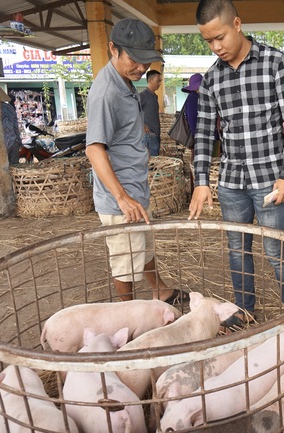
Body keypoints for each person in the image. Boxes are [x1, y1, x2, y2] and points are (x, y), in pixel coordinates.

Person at [188, 0, 284, 327]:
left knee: (278, 252)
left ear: (237, 24)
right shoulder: (211, 80)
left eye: (220, 37)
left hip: (270, 180)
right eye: (208, 41)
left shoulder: (276, 64)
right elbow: (204, 134)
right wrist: (201, 181)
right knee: (238, 254)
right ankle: (244, 314)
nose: (216, 47)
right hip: (231, 184)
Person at [85, 18, 184, 304]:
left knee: (143, 246)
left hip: (134, 188)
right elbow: (94, 149)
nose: (141, 68)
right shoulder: (107, 93)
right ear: (113, 49)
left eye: (146, 61)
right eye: (134, 60)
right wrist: (122, 198)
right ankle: (125, 317)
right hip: (121, 196)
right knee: (126, 261)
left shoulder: (125, 83)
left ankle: (160, 291)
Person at [139, 69, 163, 156]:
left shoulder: (154, 96)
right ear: (150, 80)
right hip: (148, 135)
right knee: (150, 162)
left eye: (160, 81)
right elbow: (133, 112)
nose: (159, 83)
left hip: (155, 134)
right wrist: (142, 125)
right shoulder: (143, 96)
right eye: (158, 81)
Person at [0, 88, 22, 166]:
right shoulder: (9, 107)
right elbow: (15, 126)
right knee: (15, 167)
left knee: (3, 167)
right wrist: (19, 141)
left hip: (1, 144)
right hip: (14, 141)